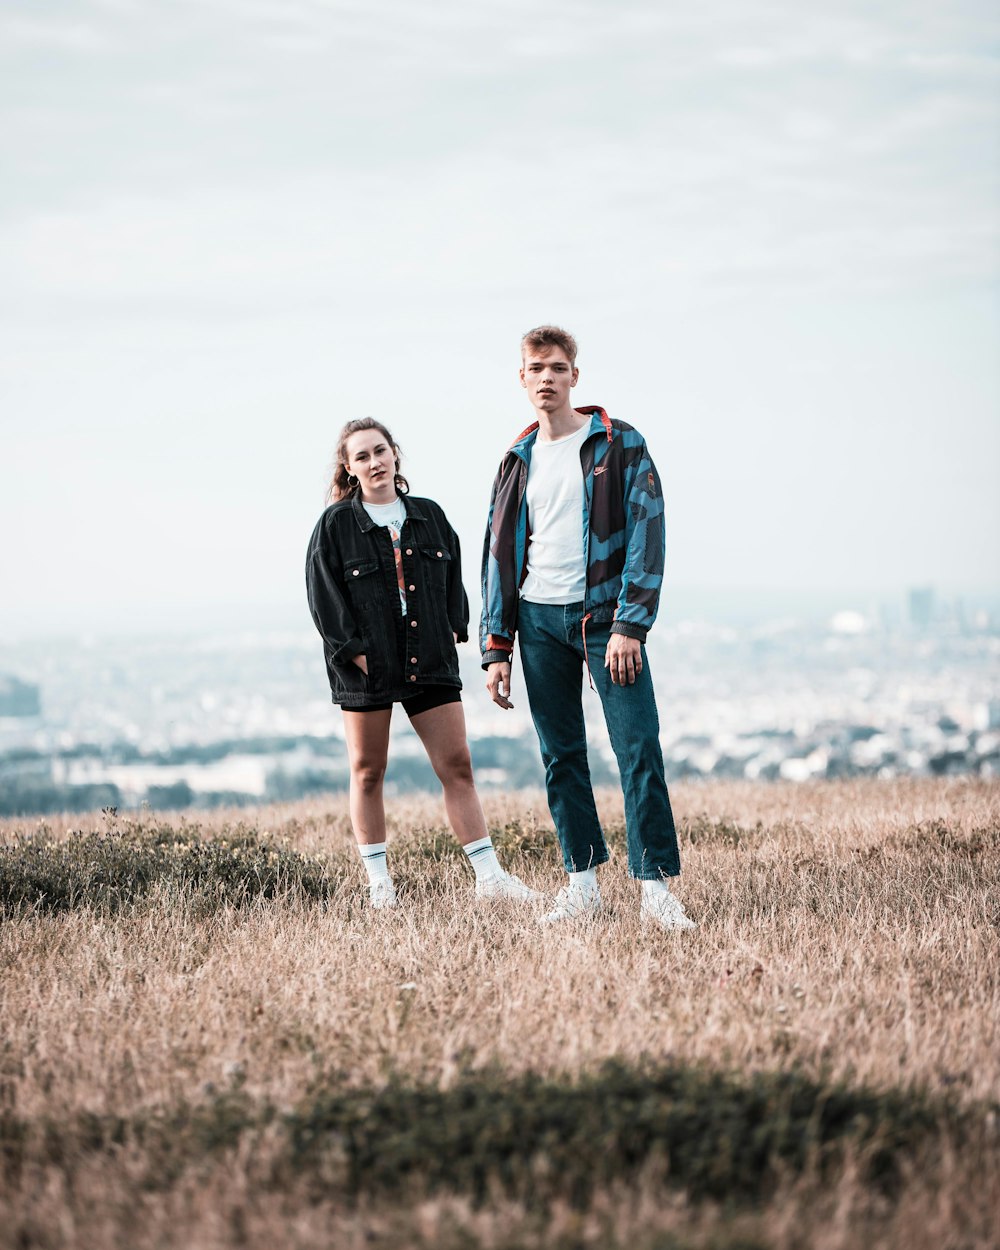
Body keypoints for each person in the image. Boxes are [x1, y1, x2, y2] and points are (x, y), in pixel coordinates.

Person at [480, 327, 695, 929]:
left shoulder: (619, 444)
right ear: (522, 380)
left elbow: (648, 531)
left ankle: (654, 888)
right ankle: (582, 883)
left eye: (556, 367)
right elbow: (496, 554)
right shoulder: (515, 460)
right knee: (561, 756)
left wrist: (631, 623)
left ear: (575, 375)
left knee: (636, 746)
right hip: (537, 620)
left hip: (605, 622)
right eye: (535, 368)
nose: (546, 377)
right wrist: (497, 646)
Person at [307, 417, 539, 910]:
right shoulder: (335, 526)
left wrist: (455, 628)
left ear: (396, 455)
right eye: (362, 456)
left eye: (380, 451)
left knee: (458, 766)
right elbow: (323, 598)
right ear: (349, 469)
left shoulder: (430, 516)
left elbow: (455, 573)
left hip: (428, 659)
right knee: (368, 770)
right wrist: (356, 653)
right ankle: (379, 886)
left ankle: (490, 878)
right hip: (368, 666)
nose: (374, 462)